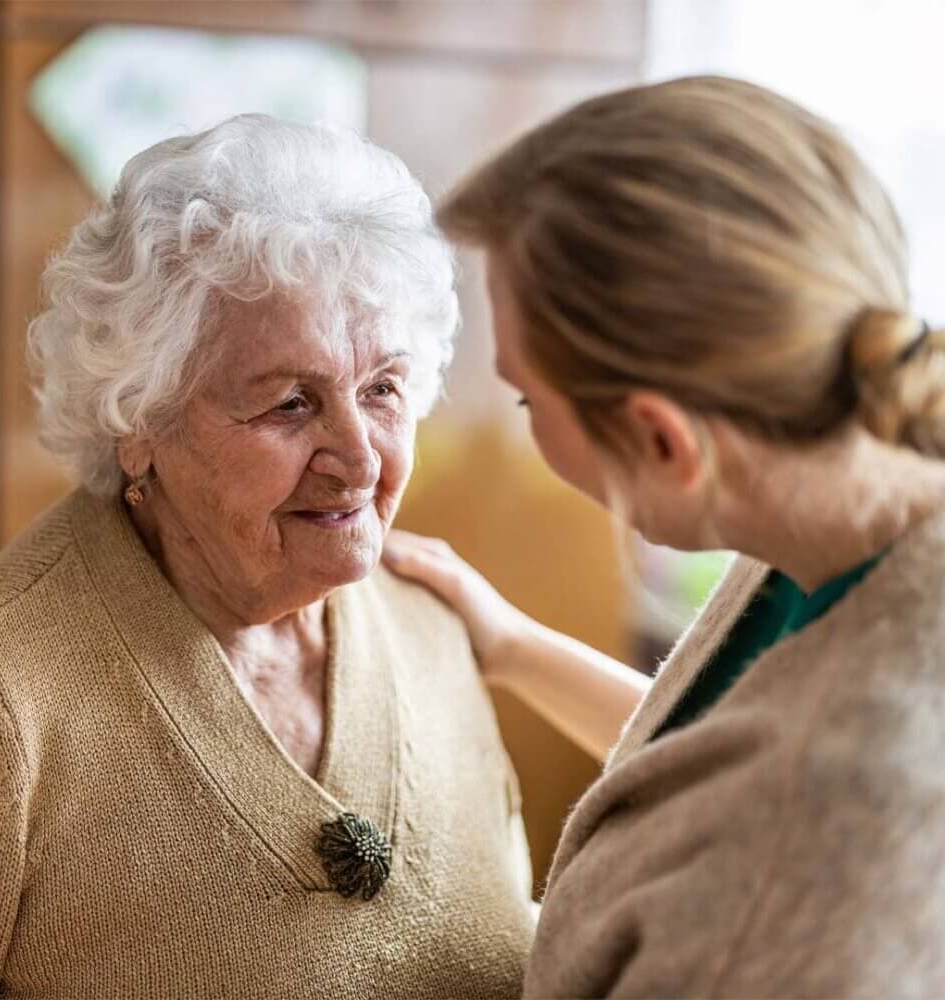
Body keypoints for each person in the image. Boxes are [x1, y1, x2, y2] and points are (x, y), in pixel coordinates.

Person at [0, 114, 536, 999]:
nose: (361, 457)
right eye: (291, 404)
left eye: (383, 389)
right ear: (138, 421)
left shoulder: (434, 629)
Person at [384, 75, 945, 997]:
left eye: (526, 396)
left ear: (659, 439)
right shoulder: (831, 490)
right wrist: (512, 647)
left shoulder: (819, 851)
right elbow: (717, 761)